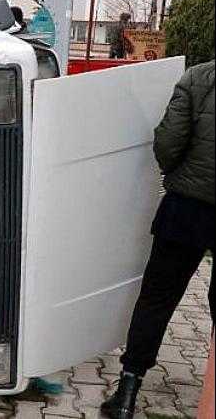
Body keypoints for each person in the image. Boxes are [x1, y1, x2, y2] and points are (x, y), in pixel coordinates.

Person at [101, 60, 215, 419]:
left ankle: (127, 393)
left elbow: (167, 141)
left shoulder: (199, 78)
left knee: (157, 298)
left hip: (187, 208)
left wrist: (177, 175)